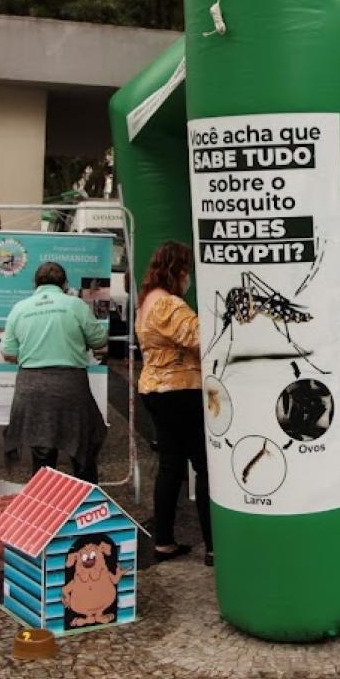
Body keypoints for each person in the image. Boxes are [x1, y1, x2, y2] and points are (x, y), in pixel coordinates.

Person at [135, 241, 212, 566]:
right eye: (187, 271)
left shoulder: (146, 302)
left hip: (154, 389)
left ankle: (164, 541)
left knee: (170, 465)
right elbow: (204, 339)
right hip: (181, 389)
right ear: (178, 270)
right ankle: (214, 546)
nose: (188, 277)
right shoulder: (169, 305)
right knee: (205, 466)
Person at [2, 261, 109, 482]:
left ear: (34, 283)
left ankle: (44, 510)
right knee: (83, 447)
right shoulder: (76, 305)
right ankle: (86, 506)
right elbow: (99, 339)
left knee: (42, 456)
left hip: (31, 388)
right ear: (65, 284)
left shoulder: (19, 309)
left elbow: (9, 353)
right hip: (70, 386)